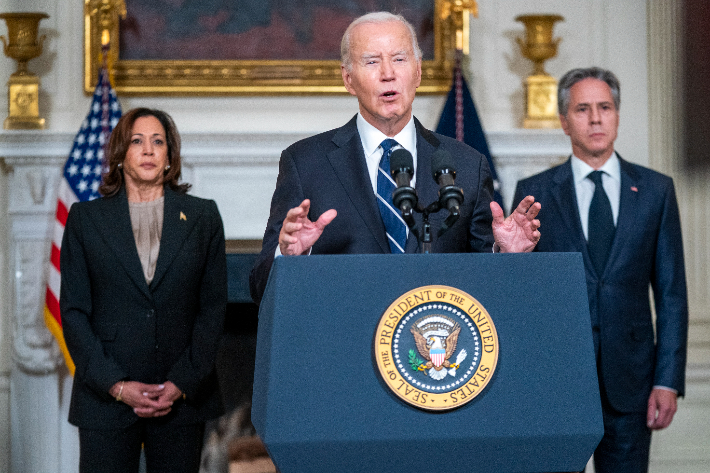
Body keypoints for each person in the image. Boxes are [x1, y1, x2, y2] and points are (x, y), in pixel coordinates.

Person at [250, 12, 541, 304]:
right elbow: (260, 287)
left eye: (400, 59)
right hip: (344, 339)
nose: (388, 73)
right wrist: (289, 257)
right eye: (372, 61)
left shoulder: (467, 164)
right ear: (348, 79)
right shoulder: (305, 163)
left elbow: (489, 284)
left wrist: (507, 255)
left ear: (418, 72)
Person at [513, 67, 688, 473]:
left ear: (617, 115)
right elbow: (523, 293)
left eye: (605, 107)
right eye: (583, 109)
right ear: (563, 121)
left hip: (632, 383)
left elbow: (672, 295)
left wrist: (667, 380)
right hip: (558, 382)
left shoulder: (656, 191)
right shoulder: (534, 191)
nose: (595, 119)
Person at [60, 107, 228, 473]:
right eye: (137, 141)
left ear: (170, 157)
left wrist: (181, 382)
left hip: (181, 400)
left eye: (158, 142)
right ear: (121, 155)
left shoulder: (203, 217)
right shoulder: (85, 220)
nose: (149, 150)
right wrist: (116, 385)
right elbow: (73, 313)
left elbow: (213, 309)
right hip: (105, 399)